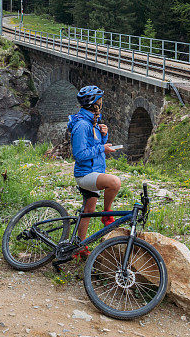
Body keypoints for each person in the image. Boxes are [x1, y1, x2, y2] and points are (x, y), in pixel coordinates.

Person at [67, 85, 121, 257]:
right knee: (114, 182)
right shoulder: (82, 125)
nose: (102, 103)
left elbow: (94, 145)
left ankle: (79, 247)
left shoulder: (93, 121)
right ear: (94, 104)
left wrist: (103, 137)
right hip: (85, 174)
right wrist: (102, 149)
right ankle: (107, 214)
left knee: (88, 212)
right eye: (100, 100)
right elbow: (80, 154)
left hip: (93, 171)